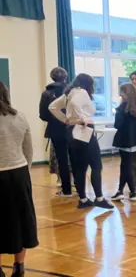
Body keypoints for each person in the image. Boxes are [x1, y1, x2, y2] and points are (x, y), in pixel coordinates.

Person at [49, 74, 113, 209]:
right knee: (96, 165)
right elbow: (75, 104)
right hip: (84, 130)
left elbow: (52, 107)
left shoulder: (69, 93)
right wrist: (82, 118)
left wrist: (66, 120)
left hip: (71, 130)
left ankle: (83, 199)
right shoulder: (82, 92)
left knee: (79, 167)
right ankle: (99, 198)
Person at [0, 82, 38, 277]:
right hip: (19, 173)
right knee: (22, 219)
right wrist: (25, 170)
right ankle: (19, 266)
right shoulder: (19, 116)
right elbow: (28, 149)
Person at [38, 67, 72, 197]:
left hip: (56, 130)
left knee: (62, 160)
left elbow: (43, 115)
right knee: (75, 158)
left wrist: (54, 119)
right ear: (65, 77)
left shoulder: (47, 93)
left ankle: (66, 190)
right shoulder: (72, 91)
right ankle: (81, 190)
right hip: (72, 127)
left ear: (52, 77)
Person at [111, 83, 136, 202]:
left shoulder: (123, 107)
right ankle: (120, 191)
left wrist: (117, 112)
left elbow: (117, 125)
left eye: (121, 92)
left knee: (126, 166)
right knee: (126, 165)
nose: (119, 94)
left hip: (125, 140)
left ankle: (132, 192)